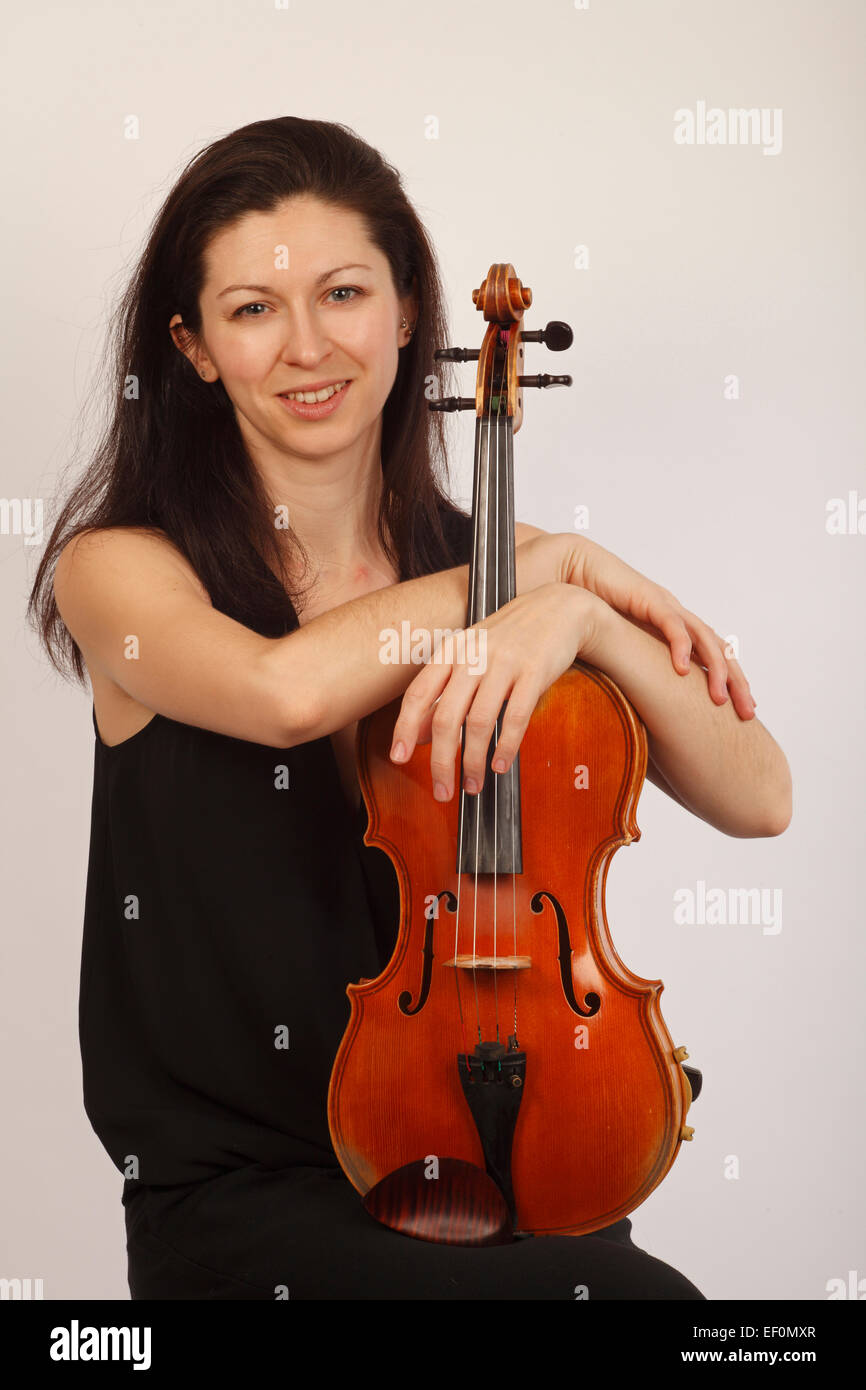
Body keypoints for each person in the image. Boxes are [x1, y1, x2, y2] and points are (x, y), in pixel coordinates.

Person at [28, 116, 791, 1300]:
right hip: (250, 1201)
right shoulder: (122, 572)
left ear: (404, 313)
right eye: (249, 309)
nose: (305, 345)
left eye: (341, 292)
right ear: (190, 346)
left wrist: (582, 622)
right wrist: (534, 574)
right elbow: (283, 693)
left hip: (508, 1157)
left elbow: (759, 793)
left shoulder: (529, 587)